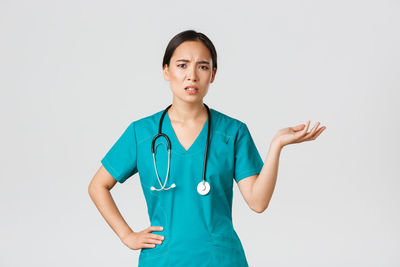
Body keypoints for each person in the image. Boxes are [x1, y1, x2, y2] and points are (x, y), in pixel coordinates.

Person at [88, 29, 326, 267]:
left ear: (212, 74)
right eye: (182, 65)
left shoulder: (232, 132)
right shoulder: (142, 133)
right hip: (163, 259)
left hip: (221, 259)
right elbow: (98, 185)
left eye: (202, 67)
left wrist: (276, 146)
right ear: (166, 71)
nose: (192, 76)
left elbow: (258, 202)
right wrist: (126, 235)